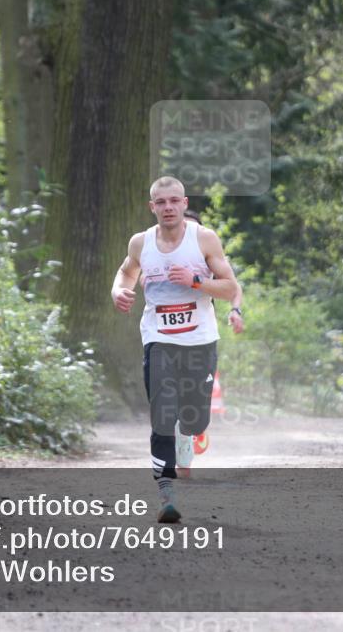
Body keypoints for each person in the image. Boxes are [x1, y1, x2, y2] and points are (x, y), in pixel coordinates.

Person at [111, 177, 241, 523]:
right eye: (161, 202)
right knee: (162, 414)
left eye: (174, 201)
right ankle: (166, 492)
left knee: (196, 418)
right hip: (158, 340)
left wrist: (196, 282)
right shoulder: (140, 243)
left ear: (184, 204)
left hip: (199, 341)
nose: (168, 208)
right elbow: (125, 273)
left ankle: (189, 434)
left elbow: (229, 288)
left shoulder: (204, 239)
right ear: (152, 207)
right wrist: (118, 291)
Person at [184, 210, 244, 334]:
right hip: (164, 329)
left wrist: (235, 310)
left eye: (193, 229)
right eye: (185, 227)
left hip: (202, 328)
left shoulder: (208, 255)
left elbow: (234, 287)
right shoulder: (164, 252)